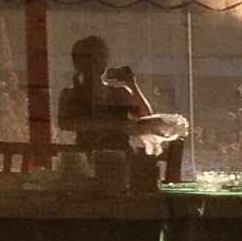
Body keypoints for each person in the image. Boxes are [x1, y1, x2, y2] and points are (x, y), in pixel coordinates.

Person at [54, 34, 190, 180]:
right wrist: (110, 124)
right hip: (88, 157)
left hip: (122, 157)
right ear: (77, 62)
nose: (96, 61)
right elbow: (65, 123)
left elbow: (145, 116)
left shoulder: (119, 92)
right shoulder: (71, 94)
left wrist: (132, 84)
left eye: (101, 56)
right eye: (89, 57)